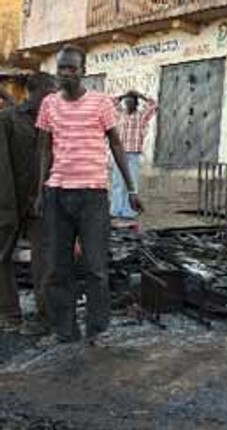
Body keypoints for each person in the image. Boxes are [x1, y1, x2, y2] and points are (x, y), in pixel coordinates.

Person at [35, 45, 143, 343]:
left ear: (83, 71)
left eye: (72, 68)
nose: (66, 74)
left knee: (96, 267)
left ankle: (98, 330)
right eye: (62, 68)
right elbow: (45, 149)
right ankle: (65, 330)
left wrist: (131, 188)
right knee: (58, 268)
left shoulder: (101, 103)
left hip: (93, 196)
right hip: (57, 193)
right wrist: (39, 191)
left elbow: (117, 145)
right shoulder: (48, 105)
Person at [0, 73, 57, 334]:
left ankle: (46, 317)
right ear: (36, 91)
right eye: (50, 91)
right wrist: (8, 208)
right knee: (2, 257)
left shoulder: (54, 123)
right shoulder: (8, 119)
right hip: (9, 201)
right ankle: (10, 314)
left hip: (41, 202)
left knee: (43, 261)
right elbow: (3, 168)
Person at [111, 90, 157, 219]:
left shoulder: (141, 116)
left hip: (133, 154)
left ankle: (128, 211)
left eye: (131, 102)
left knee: (131, 184)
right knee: (117, 182)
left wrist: (140, 95)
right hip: (119, 154)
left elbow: (153, 105)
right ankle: (115, 210)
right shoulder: (119, 114)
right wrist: (123, 95)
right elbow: (110, 103)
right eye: (126, 102)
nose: (128, 104)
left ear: (136, 104)